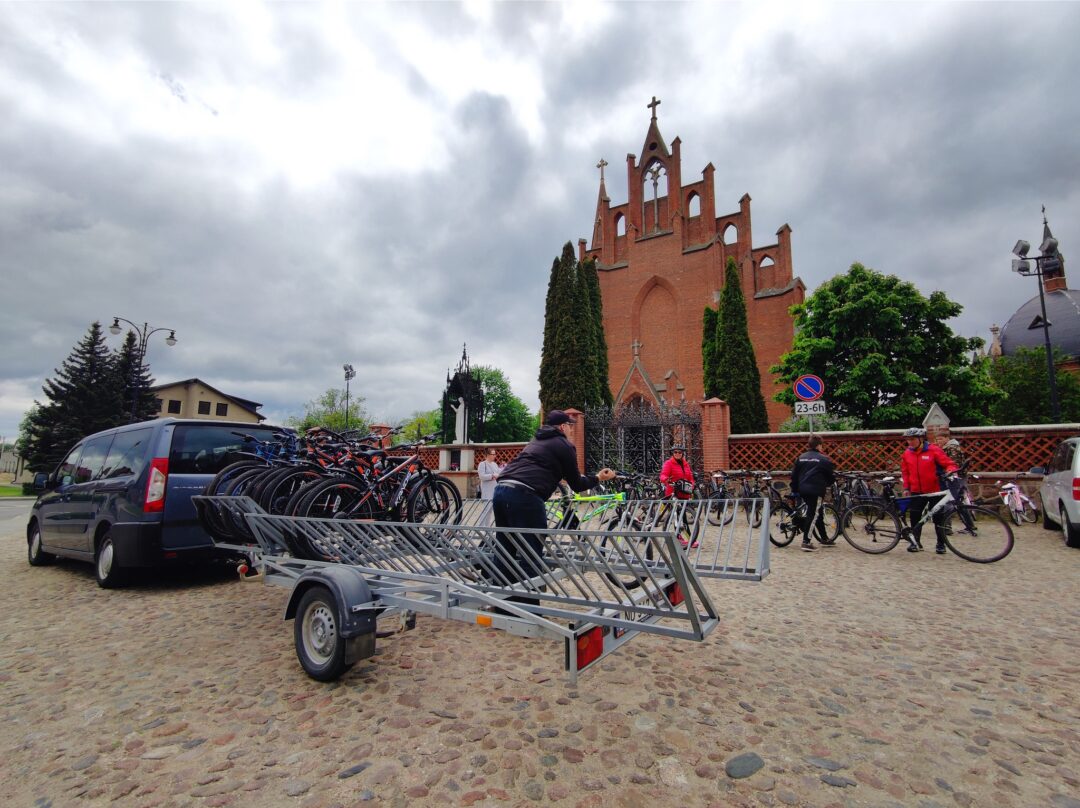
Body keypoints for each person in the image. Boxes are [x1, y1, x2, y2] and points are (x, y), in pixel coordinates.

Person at [491, 411, 616, 605]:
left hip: (501, 491)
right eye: (570, 425)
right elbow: (577, 484)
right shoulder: (564, 445)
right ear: (562, 427)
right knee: (530, 552)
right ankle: (528, 608)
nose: (571, 429)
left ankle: (502, 604)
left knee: (505, 548)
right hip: (526, 495)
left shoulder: (535, 442)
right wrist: (599, 477)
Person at [900, 427, 958, 554]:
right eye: (908, 439)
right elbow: (905, 472)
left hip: (935, 490)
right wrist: (906, 487)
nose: (910, 442)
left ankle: (941, 544)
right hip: (916, 490)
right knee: (915, 517)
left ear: (921, 439)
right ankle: (915, 542)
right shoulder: (907, 453)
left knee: (939, 518)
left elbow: (949, 463)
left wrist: (950, 471)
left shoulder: (933, 450)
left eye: (912, 439)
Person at [790, 435, 836, 552]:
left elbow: (794, 476)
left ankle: (824, 538)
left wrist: (794, 490)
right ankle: (806, 542)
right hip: (816, 490)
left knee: (817, 512)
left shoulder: (801, 457)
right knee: (813, 514)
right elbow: (831, 477)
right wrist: (827, 484)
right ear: (819, 445)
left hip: (802, 490)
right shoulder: (823, 459)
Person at [659, 445, 698, 547]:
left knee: (683, 517)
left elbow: (690, 477)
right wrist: (666, 479)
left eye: (679, 452)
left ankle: (690, 539)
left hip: (684, 493)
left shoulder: (685, 464)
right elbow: (663, 475)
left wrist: (692, 485)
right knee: (678, 517)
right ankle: (681, 538)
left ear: (682, 453)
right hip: (673, 493)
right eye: (675, 452)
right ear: (672, 453)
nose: (677, 454)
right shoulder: (669, 463)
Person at [476, 447, 501, 526]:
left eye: (495, 454)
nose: (494, 456)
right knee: (486, 510)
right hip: (486, 490)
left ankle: (488, 528)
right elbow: (481, 476)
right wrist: (492, 476)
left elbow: (499, 472)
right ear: (487, 455)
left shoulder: (495, 464)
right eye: (493, 454)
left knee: (492, 511)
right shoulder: (482, 464)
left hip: (494, 489)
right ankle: (481, 527)